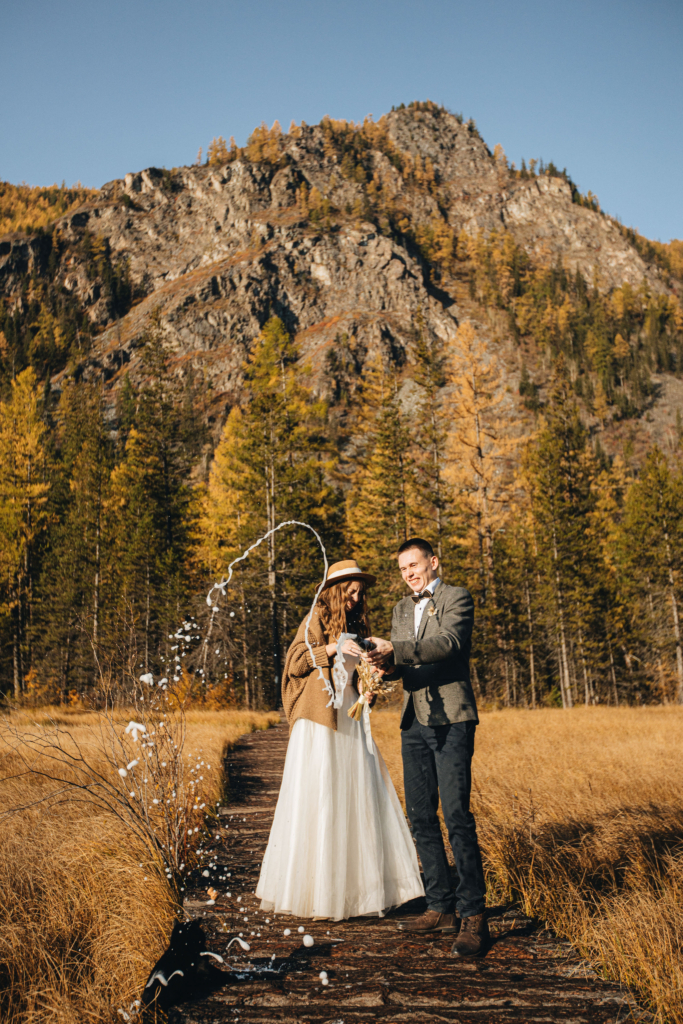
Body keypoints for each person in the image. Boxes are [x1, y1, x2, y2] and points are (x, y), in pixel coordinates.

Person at [255, 559, 424, 921]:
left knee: (357, 798)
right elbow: (295, 664)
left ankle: (358, 892)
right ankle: (317, 892)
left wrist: (369, 682)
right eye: (351, 590)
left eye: (361, 591)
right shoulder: (314, 618)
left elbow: (359, 673)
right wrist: (333, 648)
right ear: (335, 590)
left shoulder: (358, 623)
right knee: (322, 800)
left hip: (350, 717)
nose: (357, 596)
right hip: (319, 723)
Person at [367, 538, 489, 957]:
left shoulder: (458, 598)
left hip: (453, 719)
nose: (408, 573)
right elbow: (405, 665)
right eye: (402, 569)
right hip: (413, 722)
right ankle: (441, 906)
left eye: (414, 565)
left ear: (433, 562)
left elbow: (448, 645)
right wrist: (383, 668)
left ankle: (474, 915)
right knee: (420, 815)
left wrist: (395, 650)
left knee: (456, 816)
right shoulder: (401, 609)